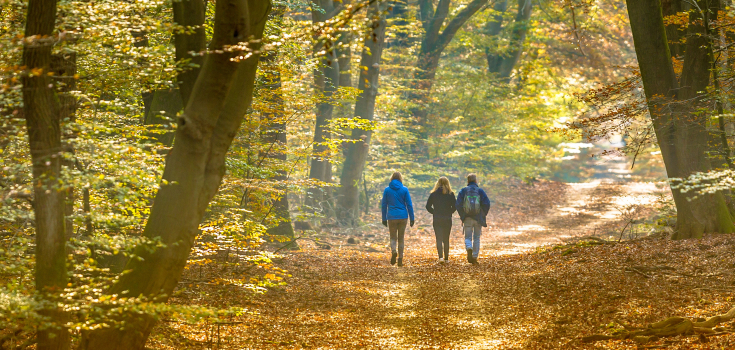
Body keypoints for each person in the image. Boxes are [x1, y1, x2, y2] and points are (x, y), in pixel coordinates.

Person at [381, 171, 415, 267]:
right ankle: (400, 259)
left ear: (391, 178)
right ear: (401, 178)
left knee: (393, 237)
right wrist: (412, 218)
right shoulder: (404, 189)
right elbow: (409, 204)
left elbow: (384, 205)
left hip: (391, 216)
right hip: (403, 216)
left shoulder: (387, 190)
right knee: (401, 238)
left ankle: (394, 251)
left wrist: (384, 218)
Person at [455, 173, 491, 264]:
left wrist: (462, 215)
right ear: (475, 181)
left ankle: (469, 248)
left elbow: (458, 204)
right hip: (478, 219)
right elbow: (487, 203)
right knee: (477, 237)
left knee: (467, 237)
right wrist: (482, 215)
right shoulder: (480, 191)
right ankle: (474, 257)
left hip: (467, 218)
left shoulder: (463, 191)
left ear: (468, 181)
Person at [425, 177, 456, 264]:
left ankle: (441, 258)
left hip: (437, 219)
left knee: (439, 238)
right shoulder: (451, 194)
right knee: (446, 239)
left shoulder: (433, 194)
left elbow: (427, 206)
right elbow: (455, 206)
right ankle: (446, 259)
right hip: (447, 219)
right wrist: (450, 212)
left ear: (437, 183)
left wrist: (434, 212)